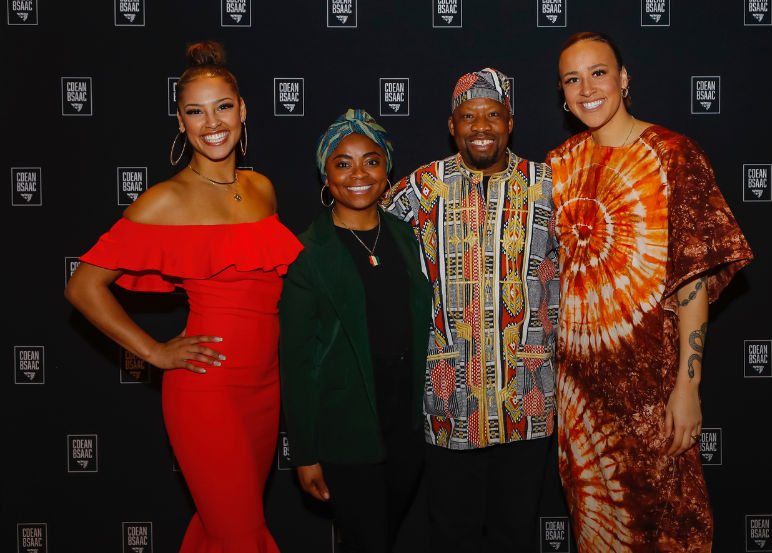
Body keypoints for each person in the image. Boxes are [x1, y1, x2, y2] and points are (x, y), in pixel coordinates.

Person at [64, 41, 301, 552]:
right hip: (206, 389)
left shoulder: (262, 188)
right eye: (195, 111)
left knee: (225, 529)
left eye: (222, 107)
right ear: (180, 121)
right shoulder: (165, 199)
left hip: (265, 388)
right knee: (240, 536)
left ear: (243, 112)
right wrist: (153, 351)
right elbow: (82, 285)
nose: (211, 122)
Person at [541, 32, 753, 552]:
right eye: (573, 78)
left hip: (653, 393)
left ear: (624, 79)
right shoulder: (555, 166)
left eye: (599, 73)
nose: (587, 88)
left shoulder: (673, 156)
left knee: (669, 531)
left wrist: (688, 385)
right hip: (579, 404)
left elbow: (693, 281)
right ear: (562, 93)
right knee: (596, 535)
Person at [382, 69, 556, 552]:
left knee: (515, 535)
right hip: (449, 403)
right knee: (451, 534)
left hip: (527, 398)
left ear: (510, 122)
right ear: (452, 126)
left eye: (492, 114)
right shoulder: (422, 188)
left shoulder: (547, 186)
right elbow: (365, 239)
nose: (481, 125)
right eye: (468, 116)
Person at [279, 109, 433, 553]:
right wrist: (304, 453)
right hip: (345, 427)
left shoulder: (408, 238)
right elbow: (297, 360)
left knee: (381, 537)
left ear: (387, 169)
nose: (358, 174)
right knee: (367, 541)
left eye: (371, 160)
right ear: (325, 176)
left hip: (408, 426)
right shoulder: (307, 254)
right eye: (342, 163)